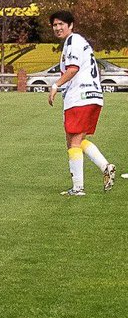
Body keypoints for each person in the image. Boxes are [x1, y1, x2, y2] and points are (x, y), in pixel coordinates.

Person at [47, 11, 115, 195]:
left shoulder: (74, 41)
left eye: (61, 24)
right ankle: (105, 167)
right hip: (89, 96)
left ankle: (78, 188)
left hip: (81, 97)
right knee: (74, 140)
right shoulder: (76, 42)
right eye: (54, 25)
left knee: (74, 142)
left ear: (71, 25)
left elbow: (73, 69)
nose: (58, 28)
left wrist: (55, 85)